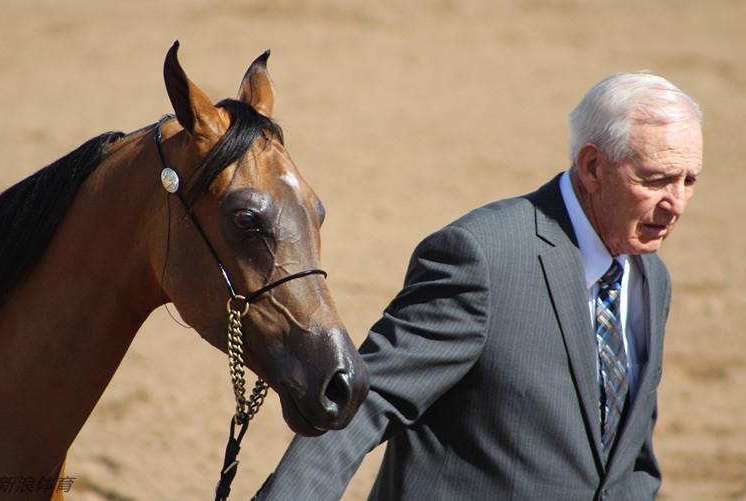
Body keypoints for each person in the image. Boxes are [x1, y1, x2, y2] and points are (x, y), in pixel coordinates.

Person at [256, 73, 704, 501]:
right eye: (656, 179)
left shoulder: (649, 276)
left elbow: (627, 456)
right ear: (592, 167)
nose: (677, 203)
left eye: (689, 181)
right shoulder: (482, 258)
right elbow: (368, 403)